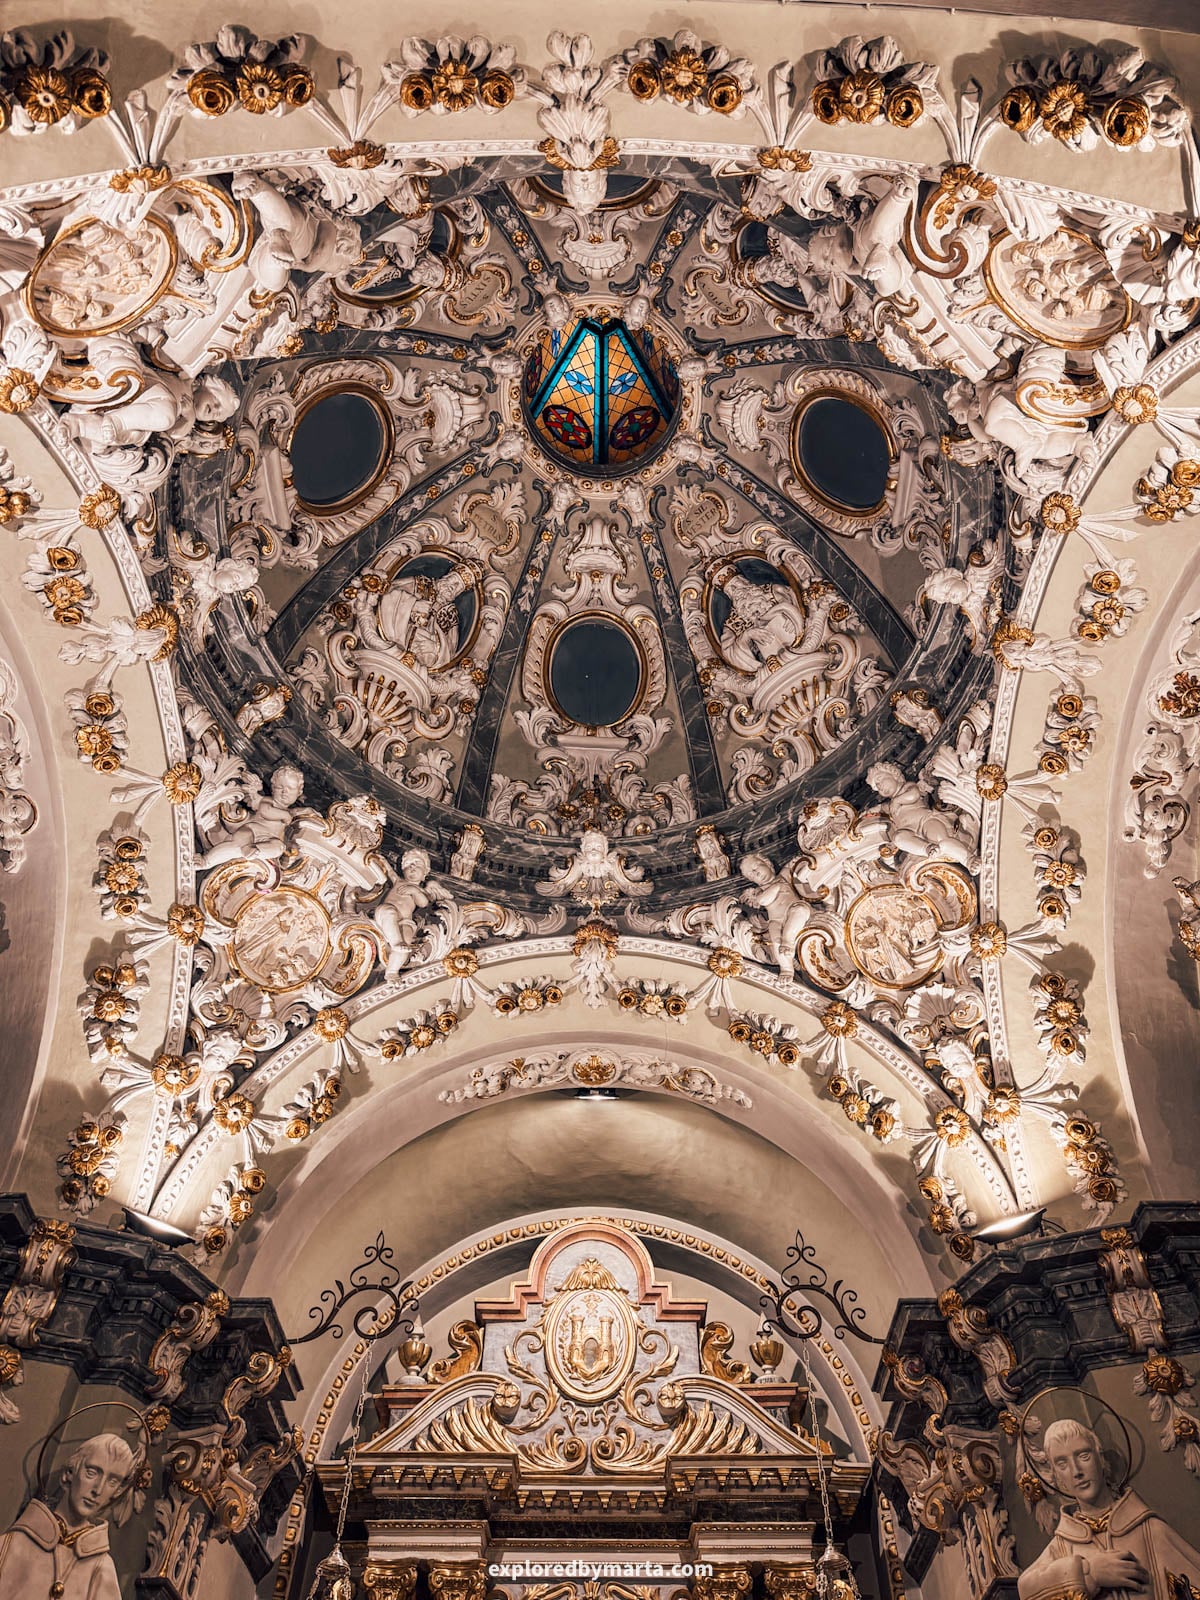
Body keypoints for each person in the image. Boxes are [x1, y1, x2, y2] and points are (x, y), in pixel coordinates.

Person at [1019, 1418, 1200, 1599]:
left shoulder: (1149, 1530)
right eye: (1062, 1464)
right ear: (1056, 1474)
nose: (1076, 1471)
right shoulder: (1061, 1547)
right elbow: (1026, 1588)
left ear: (1100, 1457)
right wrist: (1089, 1574)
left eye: (1083, 1456)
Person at [0, 1431, 136, 1600]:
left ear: (117, 1492)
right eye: (92, 1473)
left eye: (112, 1481)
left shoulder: (102, 1568)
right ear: (69, 1473)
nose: (98, 1489)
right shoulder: (12, 1545)